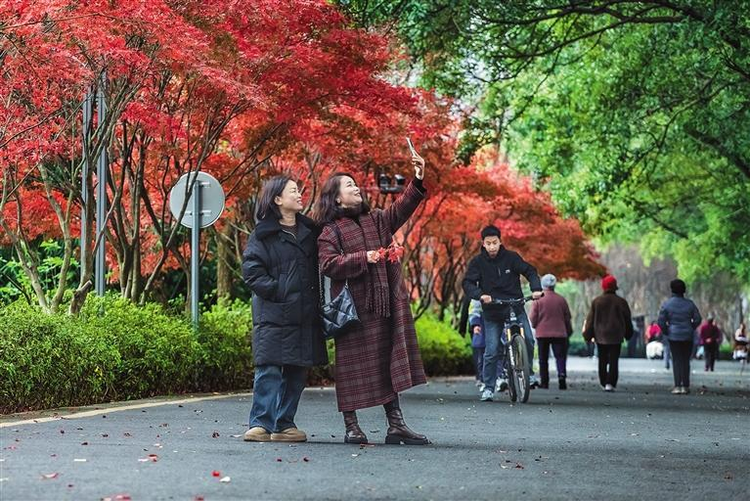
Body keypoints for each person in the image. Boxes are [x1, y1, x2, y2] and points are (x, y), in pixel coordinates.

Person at [315, 149, 429, 446]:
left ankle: (396, 425)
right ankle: (352, 426)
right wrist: (363, 257)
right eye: (349, 185)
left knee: (386, 363)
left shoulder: (377, 219)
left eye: (356, 184)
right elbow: (328, 265)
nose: (356, 188)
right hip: (353, 312)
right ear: (337, 198)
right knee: (350, 370)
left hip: (382, 307)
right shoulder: (330, 231)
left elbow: (402, 208)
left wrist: (418, 177)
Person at [241, 176, 328, 443]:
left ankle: (284, 424)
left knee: (297, 371)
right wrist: (280, 290)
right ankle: (260, 424)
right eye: (293, 191)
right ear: (278, 199)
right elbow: (252, 271)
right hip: (274, 313)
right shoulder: (263, 234)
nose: (300, 195)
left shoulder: (311, 232)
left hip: (305, 314)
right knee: (268, 369)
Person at [462, 225, 543, 402]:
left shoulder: (511, 258)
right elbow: (467, 283)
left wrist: (536, 288)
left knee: (529, 339)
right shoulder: (478, 263)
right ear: (483, 244)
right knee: (491, 351)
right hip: (493, 312)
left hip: (515, 306)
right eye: (488, 243)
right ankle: (489, 388)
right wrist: (481, 295)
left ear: (500, 242)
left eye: (495, 243)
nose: (492, 247)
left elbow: (529, 271)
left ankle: (528, 374)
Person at [583, 275, 634, 392]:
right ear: (615, 287)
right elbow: (627, 319)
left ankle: (603, 381)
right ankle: (611, 382)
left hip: (600, 335)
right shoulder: (621, 302)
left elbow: (590, 320)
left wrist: (588, 335)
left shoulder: (597, 301)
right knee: (614, 360)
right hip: (616, 335)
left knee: (602, 359)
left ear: (603, 287)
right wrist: (628, 334)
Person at [657, 279, 702, 395]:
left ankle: (678, 385)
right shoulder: (690, 304)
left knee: (676, 360)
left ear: (672, 290)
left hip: (673, 336)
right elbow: (698, 319)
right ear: (684, 290)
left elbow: (661, 321)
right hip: (687, 335)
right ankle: (686, 386)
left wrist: (667, 331)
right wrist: (691, 327)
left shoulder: (667, 304)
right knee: (685, 360)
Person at [529, 274, 573, 390]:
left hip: (542, 333)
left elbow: (533, 317)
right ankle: (561, 376)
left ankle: (545, 382)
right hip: (560, 333)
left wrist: (535, 325)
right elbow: (567, 317)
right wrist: (568, 331)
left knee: (543, 359)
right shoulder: (561, 299)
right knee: (560, 357)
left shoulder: (538, 300)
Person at [468, 299, 487, 390]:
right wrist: (475, 324)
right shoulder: (477, 294)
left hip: (492, 324)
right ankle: (482, 378)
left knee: (497, 353)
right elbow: (472, 309)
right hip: (481, 328)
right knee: (481, 356)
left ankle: (499, 377)